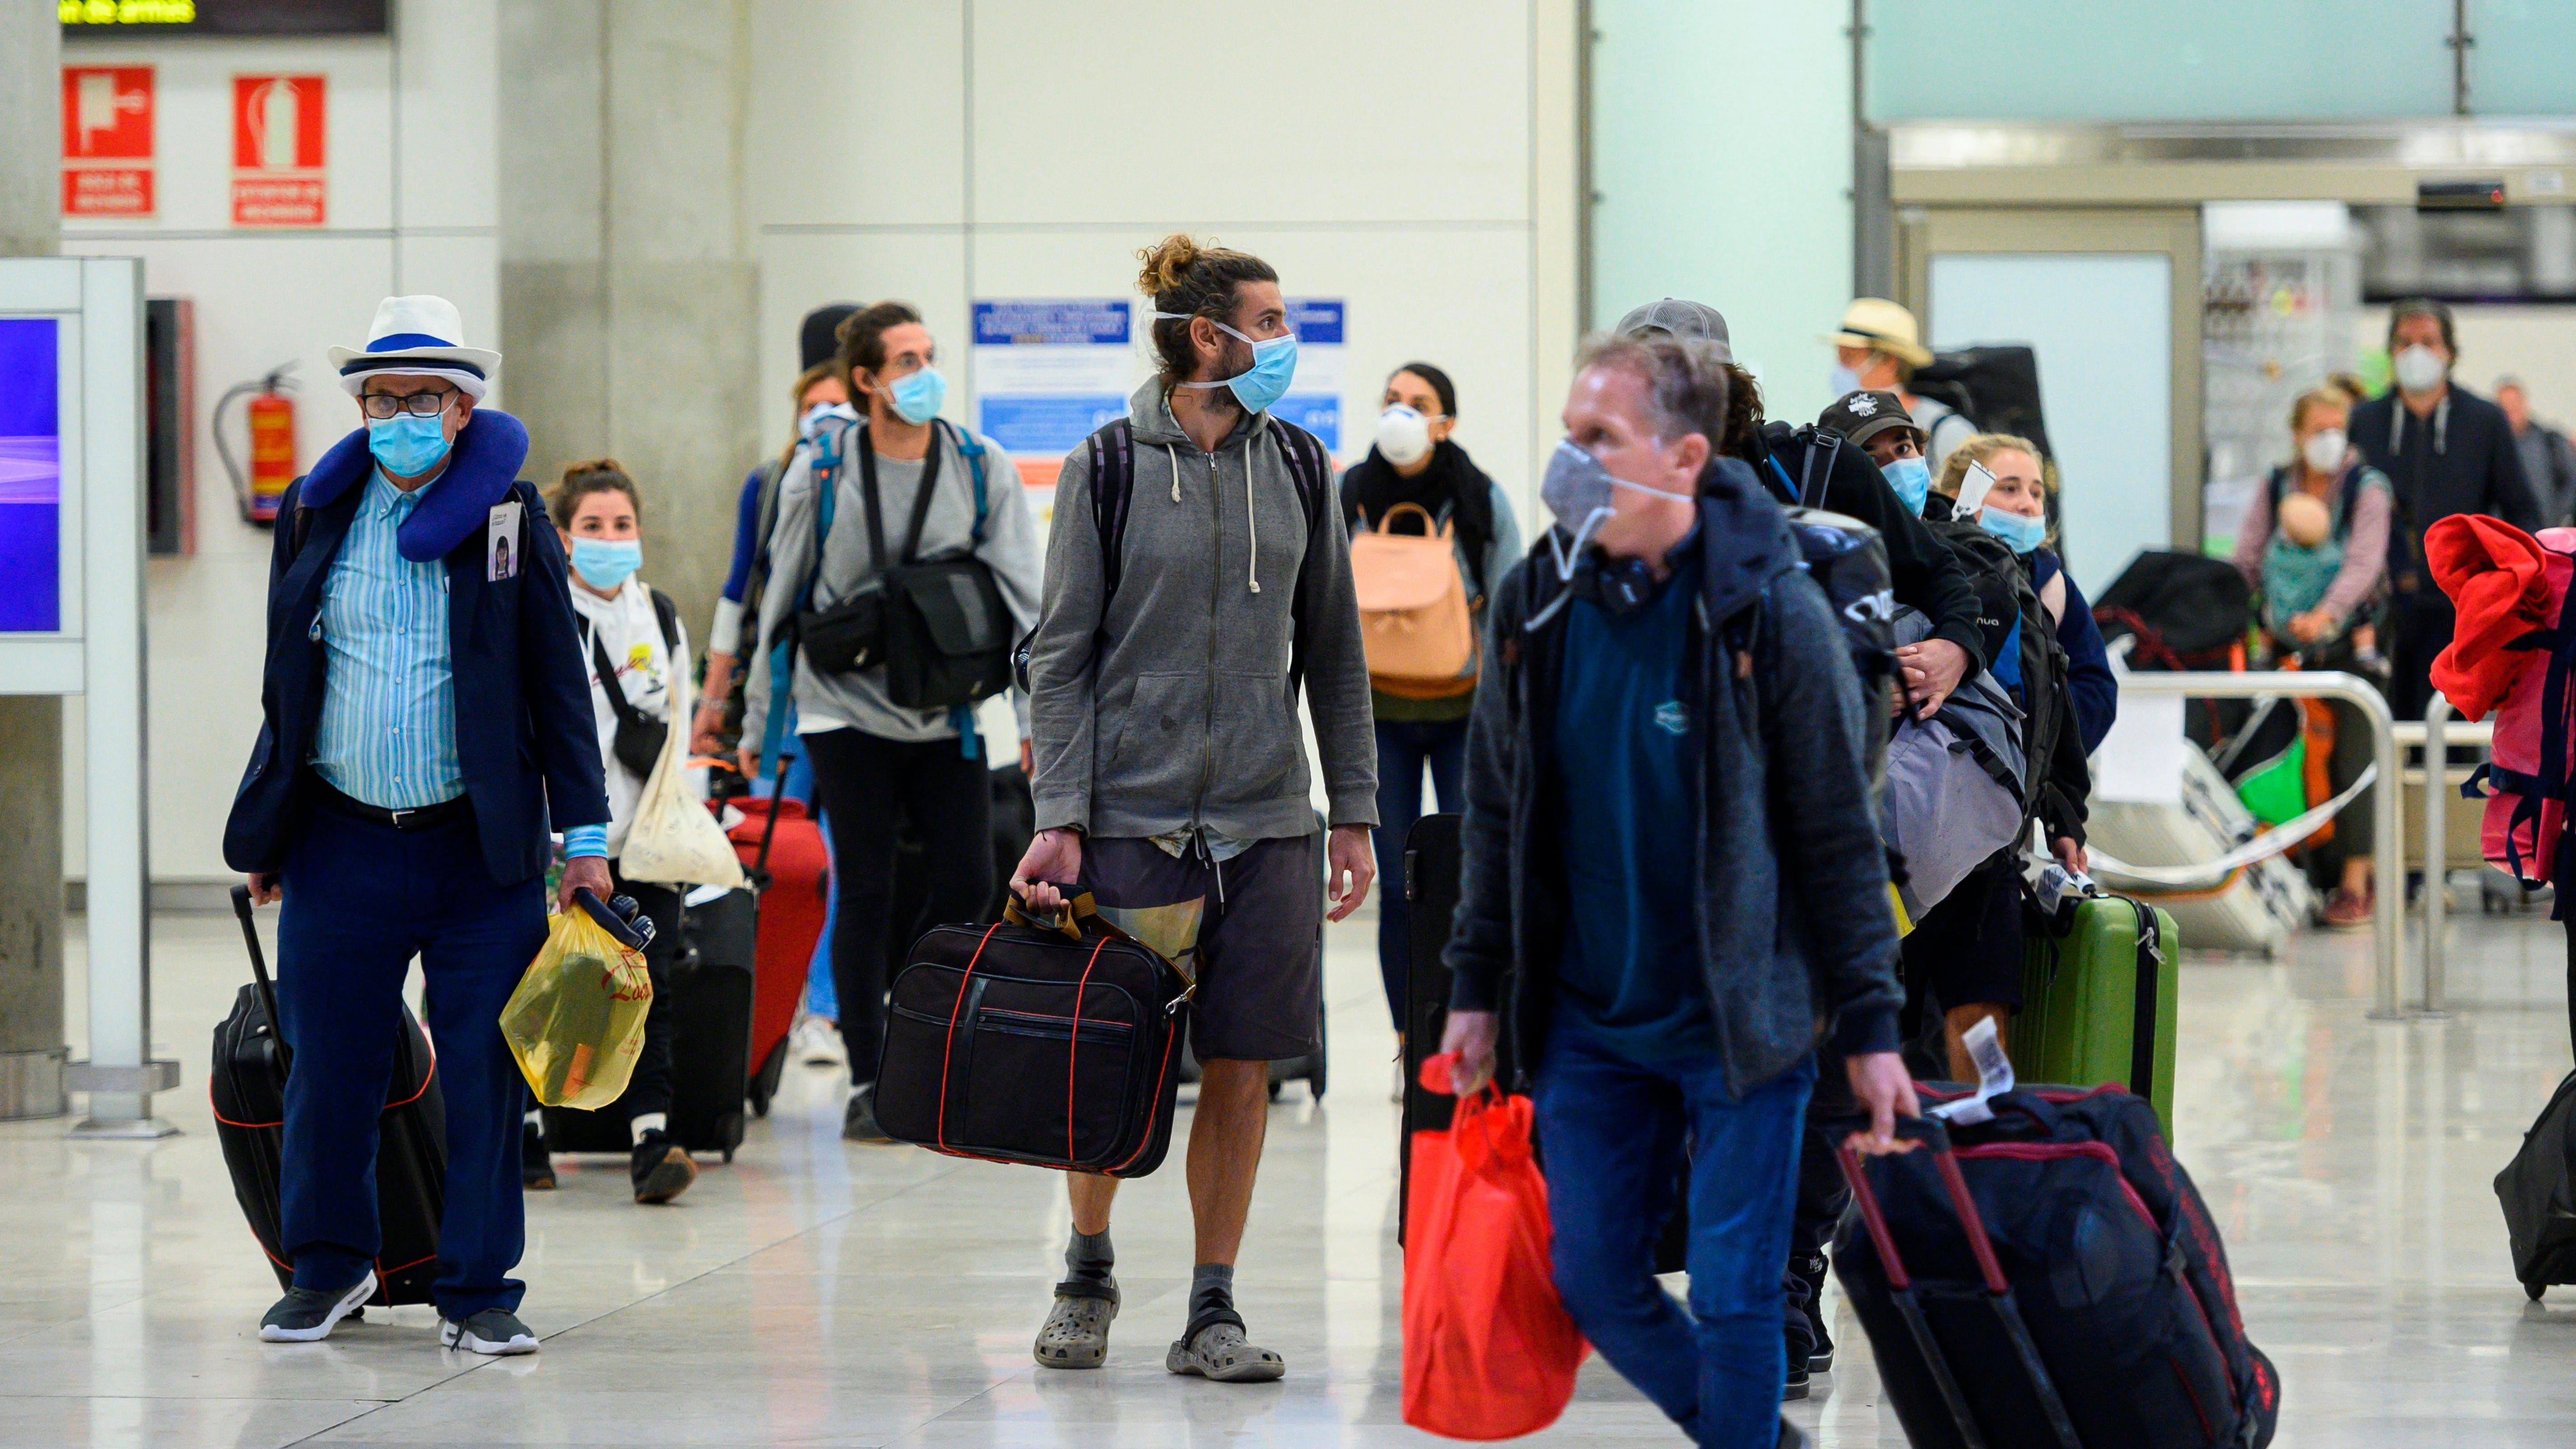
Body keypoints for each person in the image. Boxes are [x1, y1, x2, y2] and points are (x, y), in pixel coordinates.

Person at [1435, 331, 1914, 1445]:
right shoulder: (1535, 603)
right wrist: (1473, 985)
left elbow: (1839, 831)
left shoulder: (1770, 613)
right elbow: (1498, 810)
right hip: (1592, 1016)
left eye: (1600, 440)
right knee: (1597, 1279)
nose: (1572, 463)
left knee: (1741, 1296)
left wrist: (1875, 1021)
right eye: (1569, 436)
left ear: (1686, 456)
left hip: (1743, 1016)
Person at [1014, 235, 1379, 1384]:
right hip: (1134, 819)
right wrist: (1061, 808)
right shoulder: (1108, 466)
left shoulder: (1305, 467)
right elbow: (1061, 654)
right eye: (1269, 321)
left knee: (1243, 1061)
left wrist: (1355, 811)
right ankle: (1086, 1267)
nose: (1286, 341)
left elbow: (1336, 656)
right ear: (1208, 335)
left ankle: (1212, 1305)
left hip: (1268, 821)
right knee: (1109, 1058)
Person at [224, 295, 610, 1355]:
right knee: (330, 1065)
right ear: (359, 407)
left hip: (477, 849)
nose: (401, 414)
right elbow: (286, 684)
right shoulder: (316, 512)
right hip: (340, 837)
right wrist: (269, 829)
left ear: (462, 410)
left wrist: (584, 841)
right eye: (382, 398)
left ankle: (479, 1287)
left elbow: (559, 687)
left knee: (486, 1071)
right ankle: (330, 1267)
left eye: (424, 398)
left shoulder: (508, 519)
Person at [743, 300, 1043, 1142]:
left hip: (942, 704)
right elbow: (782, 592)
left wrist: (1033, 716)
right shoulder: (823, 468)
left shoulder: (980, 466)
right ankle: (872, 1076)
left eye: (929, 356)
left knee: (965, 881)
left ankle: (913, 1028)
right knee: (865, 883)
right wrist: (756, 718)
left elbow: (1029, 604)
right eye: (905, 362)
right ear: (867, 380)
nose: (924, 374)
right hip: (840, 704)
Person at [1615, 298, 1984, 720]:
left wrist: (1953, 650)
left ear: (1725, 392)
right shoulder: (1621, 513)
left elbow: (1938, 575)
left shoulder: (1820, 469)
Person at [515, 459, 701, 1204]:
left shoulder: (659, 613)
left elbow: (681, 724)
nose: (610, 538)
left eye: (622, 525)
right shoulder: (543, 609)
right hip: (559, 839)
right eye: (592, 525)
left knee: (640, 987)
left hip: (643, 838)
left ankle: (651, 1139)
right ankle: (528, 1130)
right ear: (563, 537)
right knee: (539, 983)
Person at [1340, 361, 1521, 1069]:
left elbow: (1510, 612)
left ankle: (1473, 1025)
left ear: (1447, 420)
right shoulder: (1349, 493)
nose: (1402, 414)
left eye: (1419, 403)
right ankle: (1410, 1038)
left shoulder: (1480, 498)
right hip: (1375, 713)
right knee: (1398, 881)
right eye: (1391, 401)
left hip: (1465, 713)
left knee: (1471, 874)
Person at [695, 357, 858, 1069]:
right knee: (769, 853)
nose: (824, 419)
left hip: (856, 699)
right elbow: (741, 589)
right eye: (813, 406)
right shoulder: (768, 486)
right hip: (782, 696)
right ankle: (760, 1009)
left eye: (838, 405)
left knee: (842, 857)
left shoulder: (876, 485)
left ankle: (823, 1008)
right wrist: (715, 696)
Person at [2230, 385, 2393, 929]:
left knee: (2353, 752)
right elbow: (2247, 556)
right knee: (2281, 754)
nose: (2327, 439)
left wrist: (2325, 615)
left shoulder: (2366, 489)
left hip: (2349, 646)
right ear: (2296, 434)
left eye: (2336, 428)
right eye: (2316, 429)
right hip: (2282, 649)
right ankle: (2290, 866)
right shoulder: (2275, 485)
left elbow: (2363, 563)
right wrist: (2233, 607)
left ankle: (2354, 880)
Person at [2350, 298, 2539, 719]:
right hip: (2382, 608)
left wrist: (2508, 584)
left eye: (2428, 342)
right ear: (2389, 352)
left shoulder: (2484, 421)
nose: (2415, 352)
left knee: (2451, 727)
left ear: (2450, 353)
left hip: (2460, 608)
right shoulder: (2365, 421)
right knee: (2385, 726)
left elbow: (2522, 508)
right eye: (2404, 342)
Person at [1825, 297, 1973, 474]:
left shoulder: (1948, 432)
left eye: (1849, 358)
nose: (1840, 368)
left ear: (1889, 362)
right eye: (1839, 357)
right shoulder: (1836, 432)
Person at [2497, 375, 2576, 528]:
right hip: (2507, 535)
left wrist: (2560, 517)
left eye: (2515, 403)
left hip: (2547, 532)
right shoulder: (2493, 449)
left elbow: (2571, 482)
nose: (2511, 409)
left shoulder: (2549, 442)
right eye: (2505, 405)